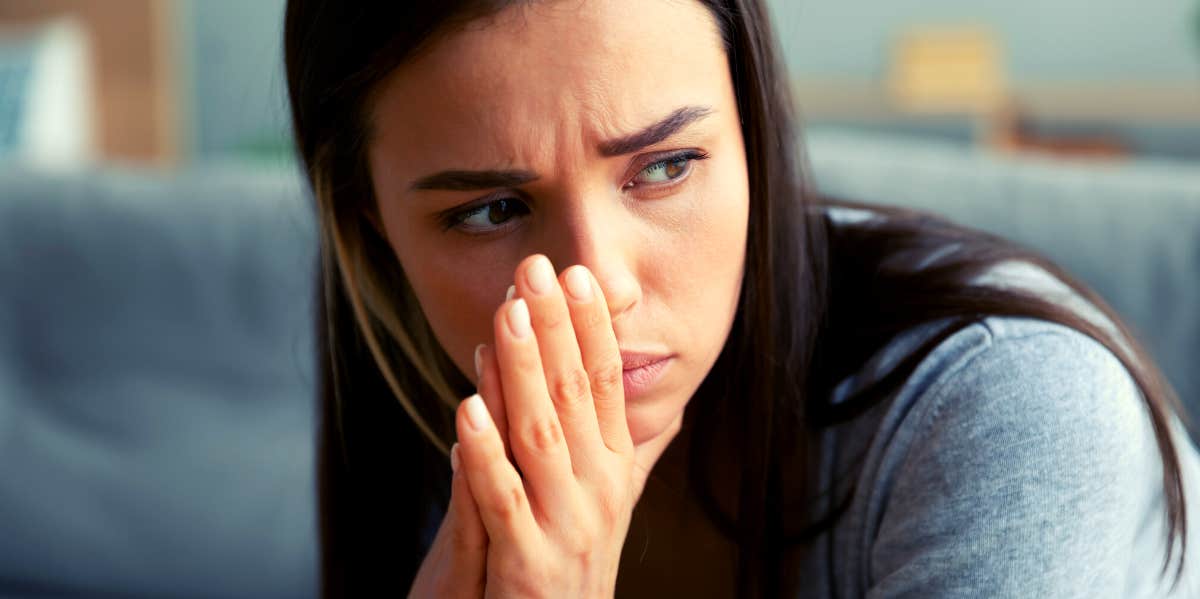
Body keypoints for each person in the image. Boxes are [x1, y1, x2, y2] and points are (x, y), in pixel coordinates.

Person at [283, 1, 1200, 596]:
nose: (597, 287)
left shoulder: (1010, 413)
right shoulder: (439, 418)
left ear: (753, 135)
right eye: (491, 210)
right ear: (371, 235)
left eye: (666, 166)